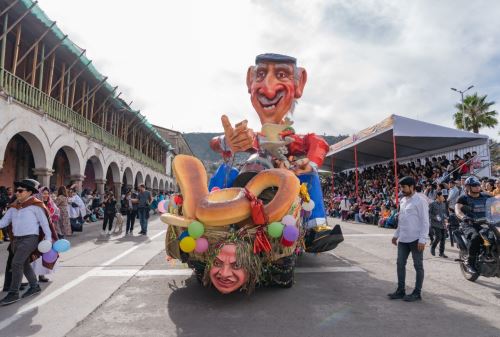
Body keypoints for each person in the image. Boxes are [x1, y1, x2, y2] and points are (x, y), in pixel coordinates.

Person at [0, 179, 57, 306]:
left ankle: (13, 293)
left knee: (16, 263)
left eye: (20, 191)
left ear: (29, 192)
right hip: (16, 240)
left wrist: (48, 239)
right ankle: (34, 285)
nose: (17, 193)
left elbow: (45, 223)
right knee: (24, 264)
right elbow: (3, 222)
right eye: (16, 190)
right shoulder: (14, 207)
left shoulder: (36, 206)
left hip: (30, 238)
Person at [388, 176, 429, 302]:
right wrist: (396, 235)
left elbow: (425, 221)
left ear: (412, 187)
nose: (402, 190)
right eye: (401, 187)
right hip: (403, 239)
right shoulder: (403, 201)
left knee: (418, 265)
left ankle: (417, 293)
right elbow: (402, 220)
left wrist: (423, 239)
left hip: (416, 240)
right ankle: (401, 290)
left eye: (404, 187)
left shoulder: (420, 201)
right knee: (400, 264)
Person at [455, 176, 493, 274]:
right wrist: (463, 217)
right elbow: (457, 210)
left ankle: (490, 254)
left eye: (478, 185)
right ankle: (469, 262)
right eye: (474, 185)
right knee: (475, 237)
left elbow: (497, 204)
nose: (477, 187)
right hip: (470, 223)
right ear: (468, 187)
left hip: (486, 222)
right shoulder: (463, 198)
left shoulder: (486, 196)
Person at [429, 192, 448, 258]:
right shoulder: (432, 204)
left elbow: (444, 213)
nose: (444, 198)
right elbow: (429, 214)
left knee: (443, 238)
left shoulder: (443, 204)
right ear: (438, 196)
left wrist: (446, 218)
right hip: (435, 224)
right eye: (443, 196)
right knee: (438, 237)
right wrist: (435, 217)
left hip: (442, 224)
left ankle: (441, 253)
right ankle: (433, 247)